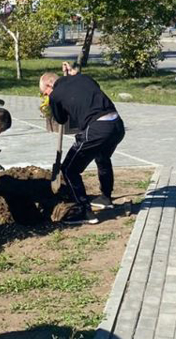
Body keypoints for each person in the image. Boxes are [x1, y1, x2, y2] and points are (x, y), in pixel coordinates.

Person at [40, 62, 125, 225]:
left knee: (69, 169)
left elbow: (61, 119)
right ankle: (105, 197)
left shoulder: (55, 95)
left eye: (45, 92)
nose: (46, 96)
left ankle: (84, 211)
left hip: (97, 128)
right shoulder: (83, 78)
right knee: (102, 156)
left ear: (50, 84)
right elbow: (92, 87)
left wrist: (54, 102)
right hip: (116, 125)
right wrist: (73, 76)